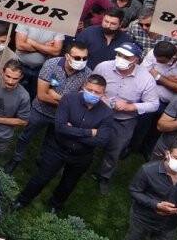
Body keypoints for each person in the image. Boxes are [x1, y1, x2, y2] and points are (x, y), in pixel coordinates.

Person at [14, 75, 113, 210]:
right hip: (57, 148)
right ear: (84, 87)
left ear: (103, 94)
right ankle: (22, 200)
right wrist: (90, 132)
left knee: (68, 184)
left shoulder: (107, 113)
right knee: (42, 177)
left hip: (82, 156)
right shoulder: (68, 99)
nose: (93, 94)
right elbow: (60, 128)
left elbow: (102, 140)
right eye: (90, 90)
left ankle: (55, 205)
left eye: (97, 92)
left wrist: (71, 131)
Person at [7, 42, 91, 173]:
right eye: (77, 58)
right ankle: (16, 159)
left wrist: (56, 96)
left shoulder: (87, 74)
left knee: (51, 142)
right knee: (26, 136)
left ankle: (42, 163)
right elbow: (42, 95)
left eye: (84, 58)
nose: (81, 61)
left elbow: (81, 102)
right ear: (67, 56)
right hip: (40, 110)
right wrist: (68, 102)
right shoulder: (51, 65)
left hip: (62, 116)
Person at [95, 42, 159, 193]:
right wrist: (102, 98)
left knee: (115, 149)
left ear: (136, 59)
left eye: (126, 57)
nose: (120, 58)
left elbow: (154, 104)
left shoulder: (146, 78)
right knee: (85, 138)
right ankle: (75, 164)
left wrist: (131, 107)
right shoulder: (103, 67)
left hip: (124, 120)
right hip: (97, 111)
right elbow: (90, 84)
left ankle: (104, 176)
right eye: (119, 54)